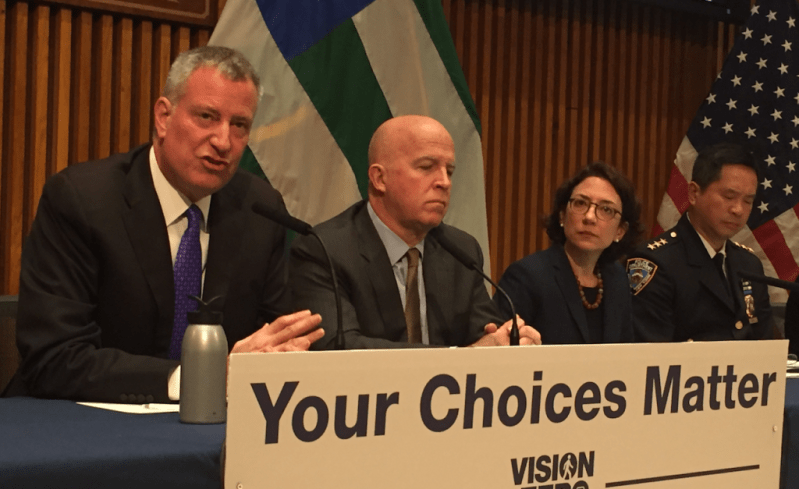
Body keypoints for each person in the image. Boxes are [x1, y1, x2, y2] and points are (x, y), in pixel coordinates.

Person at [4, 46, 323, 403]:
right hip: (81, 424)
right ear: (163, 117)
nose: (223, 142)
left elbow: (274, 339)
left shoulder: (259, 209)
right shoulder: (82, 201)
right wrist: (195, 379)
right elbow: (54, 357)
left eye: (239, 125)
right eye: (206, 116)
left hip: (214, 429)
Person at [289, 115, 540, 349]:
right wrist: (461, 355)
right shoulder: (325, 250)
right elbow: (339, 345)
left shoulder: (460, 249)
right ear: (379, 178)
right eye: (426, 167)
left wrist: (509, 340)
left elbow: (485, 332)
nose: (444, 182)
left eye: (449, 171)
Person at [627, 142, 775, 341]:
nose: (738, 210)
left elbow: (764, 346)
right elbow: (652, 357)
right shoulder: (656, 262)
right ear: (694, 193)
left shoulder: (749, 264)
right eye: (729, 196)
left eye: (748, 201)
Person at [494, 161, 642, 344]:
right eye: (580, 203)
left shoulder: (617, 278)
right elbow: (500, 354)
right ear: (562, 215)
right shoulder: (527, 277)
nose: (589, 217)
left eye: (606, 209)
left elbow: (625, 356)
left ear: (620, 230)